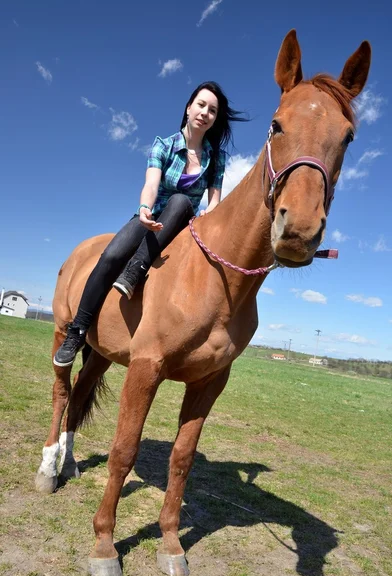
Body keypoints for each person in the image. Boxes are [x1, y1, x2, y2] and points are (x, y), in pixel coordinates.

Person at [54, 81, 247, 367]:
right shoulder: (164, 145)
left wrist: (210, 212)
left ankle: (136, 270)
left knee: (181, 202)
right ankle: (77, 332)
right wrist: (144, 208)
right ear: (188, 108)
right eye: (201, 105)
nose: (206, 113)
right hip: (151, 217)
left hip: (185, 227)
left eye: (213, 111)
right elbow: (151, 184)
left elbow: (215, 200)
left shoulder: (215, 158)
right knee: (110, 256)